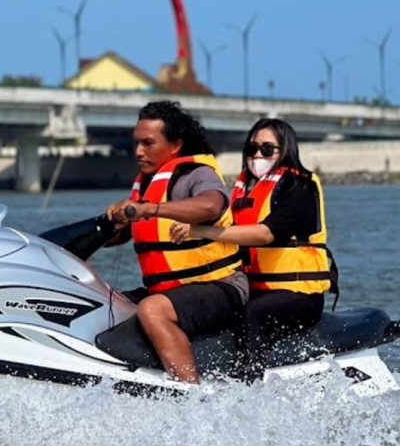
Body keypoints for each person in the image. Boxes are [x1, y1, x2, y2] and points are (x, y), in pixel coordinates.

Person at [169, 118, 335, 383]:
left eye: (267, 149)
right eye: (251, 148)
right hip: (254, 288)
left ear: (285, 150)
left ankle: (250, 391)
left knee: (253, 315)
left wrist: (200, 231)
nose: (257, 155)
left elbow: (264, 233)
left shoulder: (299, 187)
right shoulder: (243, 190)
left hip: (300, 295)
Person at [105, 100, 248, 384]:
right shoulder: (145, 184)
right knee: (105, 302)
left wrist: (148, 209)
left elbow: (212, 206)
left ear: (176, 145)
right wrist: (111, 227)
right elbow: (125, 237)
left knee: (152, 309)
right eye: (136, 143)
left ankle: (190, 396)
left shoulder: (196, 175)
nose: (138, 152)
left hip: (222, 286)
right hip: (172, 290)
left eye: (147, 143)